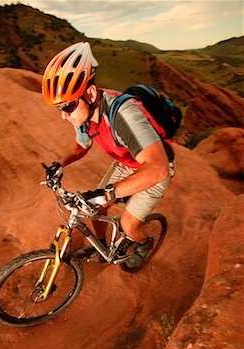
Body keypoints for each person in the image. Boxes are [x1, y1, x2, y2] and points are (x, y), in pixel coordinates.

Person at [42, 41, 175, 261]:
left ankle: (144, 244)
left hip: (154, 167)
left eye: (67, 107)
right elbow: (81, 146)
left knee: (128, 226)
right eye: (60, 108)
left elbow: (158, 169)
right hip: (126, 162)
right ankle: (100, 246)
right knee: (95, 209)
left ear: (91, 94)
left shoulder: (123, 114)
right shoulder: (82, 116)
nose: (64, 116)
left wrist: (108, 193)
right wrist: (60, 165)